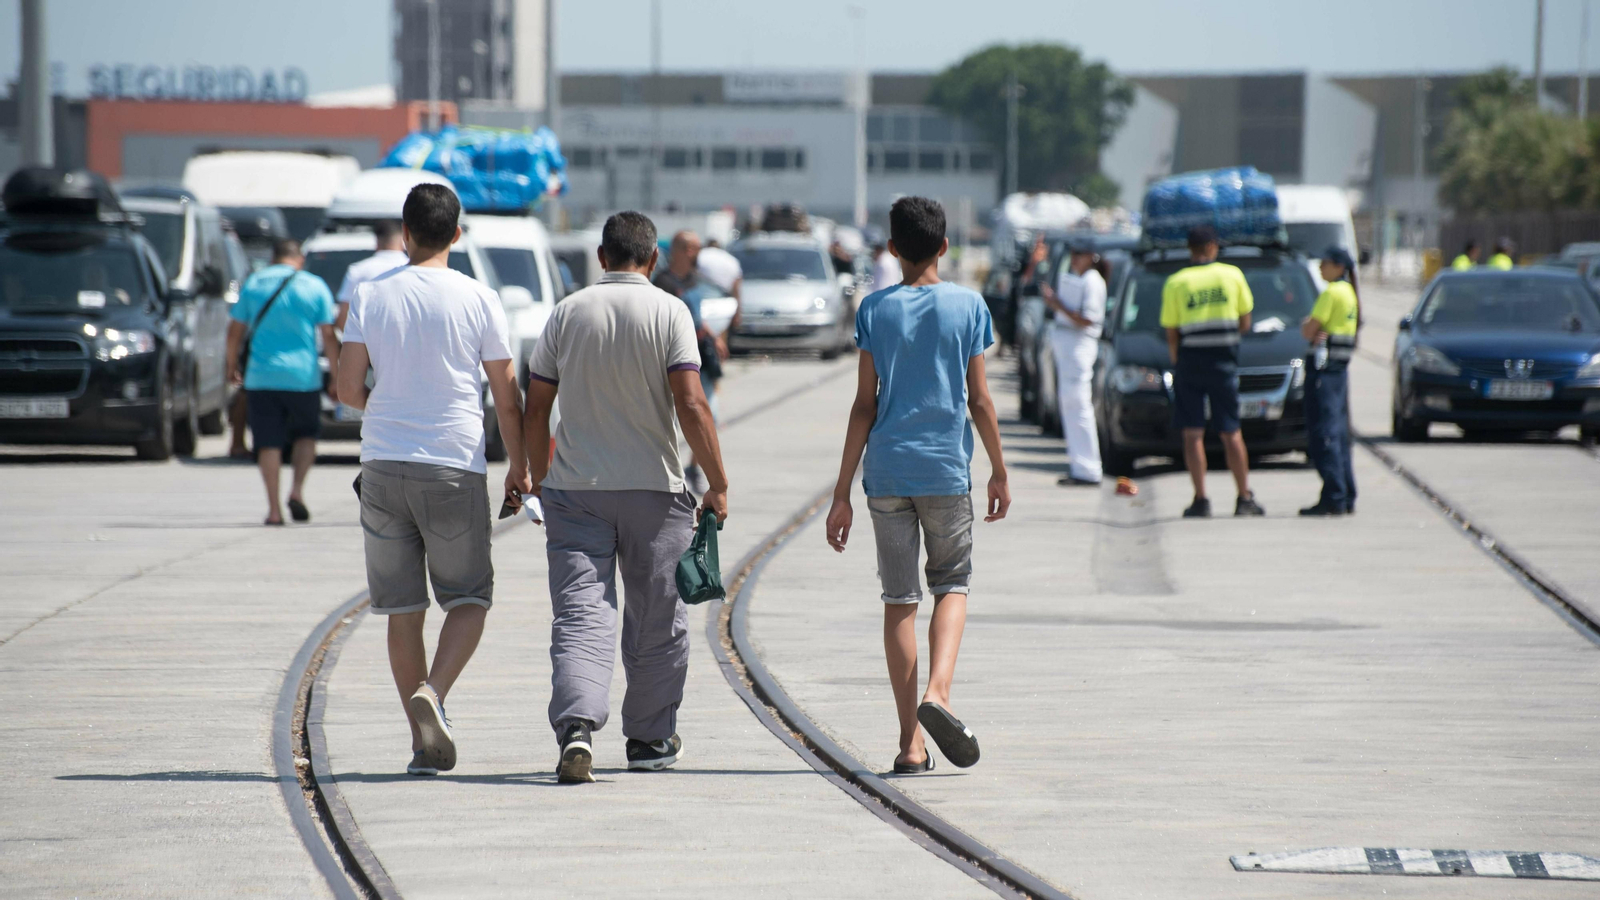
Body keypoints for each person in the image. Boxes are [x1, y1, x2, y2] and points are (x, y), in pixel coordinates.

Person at [521, 211, 728, 785]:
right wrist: (717, 480)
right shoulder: (670, 311)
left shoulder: (567, 313)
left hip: (575, 493)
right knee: (657, 618)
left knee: (581, 614)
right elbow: (691, 403)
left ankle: (578, 729)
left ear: (602, 258)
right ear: (654, 258)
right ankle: (650, 737)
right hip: (655, 493)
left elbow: (536, 408)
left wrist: (540, 479)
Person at [334, 184, 529, 777]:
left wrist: (391, 410)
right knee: (469, 598)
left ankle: (422, 746)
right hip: (453, 464)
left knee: (402, 609)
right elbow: (505, 391)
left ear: (405, 233)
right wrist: (520, 467)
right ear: (458, 235)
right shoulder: (480, 298)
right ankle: (435, 694)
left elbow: (345, 391)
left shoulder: (370, 295)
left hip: (383, 465)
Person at [824, 196, 1009, 775]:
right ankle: (939, 694)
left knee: (898, 600)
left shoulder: (875, 311)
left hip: (885, 474)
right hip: (946, 473)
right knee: (952, 582)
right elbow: (979, 400)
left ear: (893, 249)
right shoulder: (969, 306)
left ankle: (910, 745)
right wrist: (1000, 469)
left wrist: (840, 493)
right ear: (946, 246)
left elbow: (862, 405)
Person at [225, 239, 339, 525]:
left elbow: (234, 332)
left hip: (262, 378)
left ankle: (274, 510)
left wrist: (231, 366)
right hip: (304, 377)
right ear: (298, 258)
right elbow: (328, 336)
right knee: (306, 436)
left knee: (268, 442)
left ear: (274, 258)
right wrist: (338, 376)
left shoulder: (254, 284)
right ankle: (297, 490)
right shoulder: (314, 285)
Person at [1160, 225, 1264, 518]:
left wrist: (1177, 361)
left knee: (1192, 434)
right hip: (1223, 363)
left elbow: (1171, 332)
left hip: (1190, 363)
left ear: (1190, 249)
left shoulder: (1177, 282)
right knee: (1231, 432)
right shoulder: (1232, 276)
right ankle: (1244, 497)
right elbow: (1245, 321)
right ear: (1213, 247)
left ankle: (1200, 498)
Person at [653, 230, 722, 492]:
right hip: (671, 359)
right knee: (669, 417)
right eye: (694, 248)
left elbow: (708, 314)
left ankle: (694, 467)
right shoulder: (662, 282)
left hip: (702, 358)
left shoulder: (699, 281)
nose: (698, 253)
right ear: (682, 250)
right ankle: (668, 469)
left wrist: (717, 337)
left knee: (708, 414)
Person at [1298, 247, 1360, 517]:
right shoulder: (1350, 293)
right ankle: (1345, 493)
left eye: (1324, 263)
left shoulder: (1332, 293)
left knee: (1325, 434)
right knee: (1340, 434)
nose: (1321, 268)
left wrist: (1308, 327)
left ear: (1337, 266)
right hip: (1339, 372)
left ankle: (1334, 494)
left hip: (1324, 373)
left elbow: (1309, 330)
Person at [1044, 237, 1106, 486]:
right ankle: (1080, 466)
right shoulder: (1083, 279)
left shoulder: (1092, 281)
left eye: (1080, 254)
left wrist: (1057, 304)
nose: (1075, 259)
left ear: (1091, 256)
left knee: (1078, 406)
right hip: (1070, 346)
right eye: (1073, 254)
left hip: (1079, 346)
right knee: (1071, 406)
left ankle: (1089, 469)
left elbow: (1088, 319)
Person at [334, 219, 408, 330]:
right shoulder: (417, 269)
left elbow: (344, 318)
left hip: (368, 343)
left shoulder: (358, 270)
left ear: (377, 242)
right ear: (403, 241)